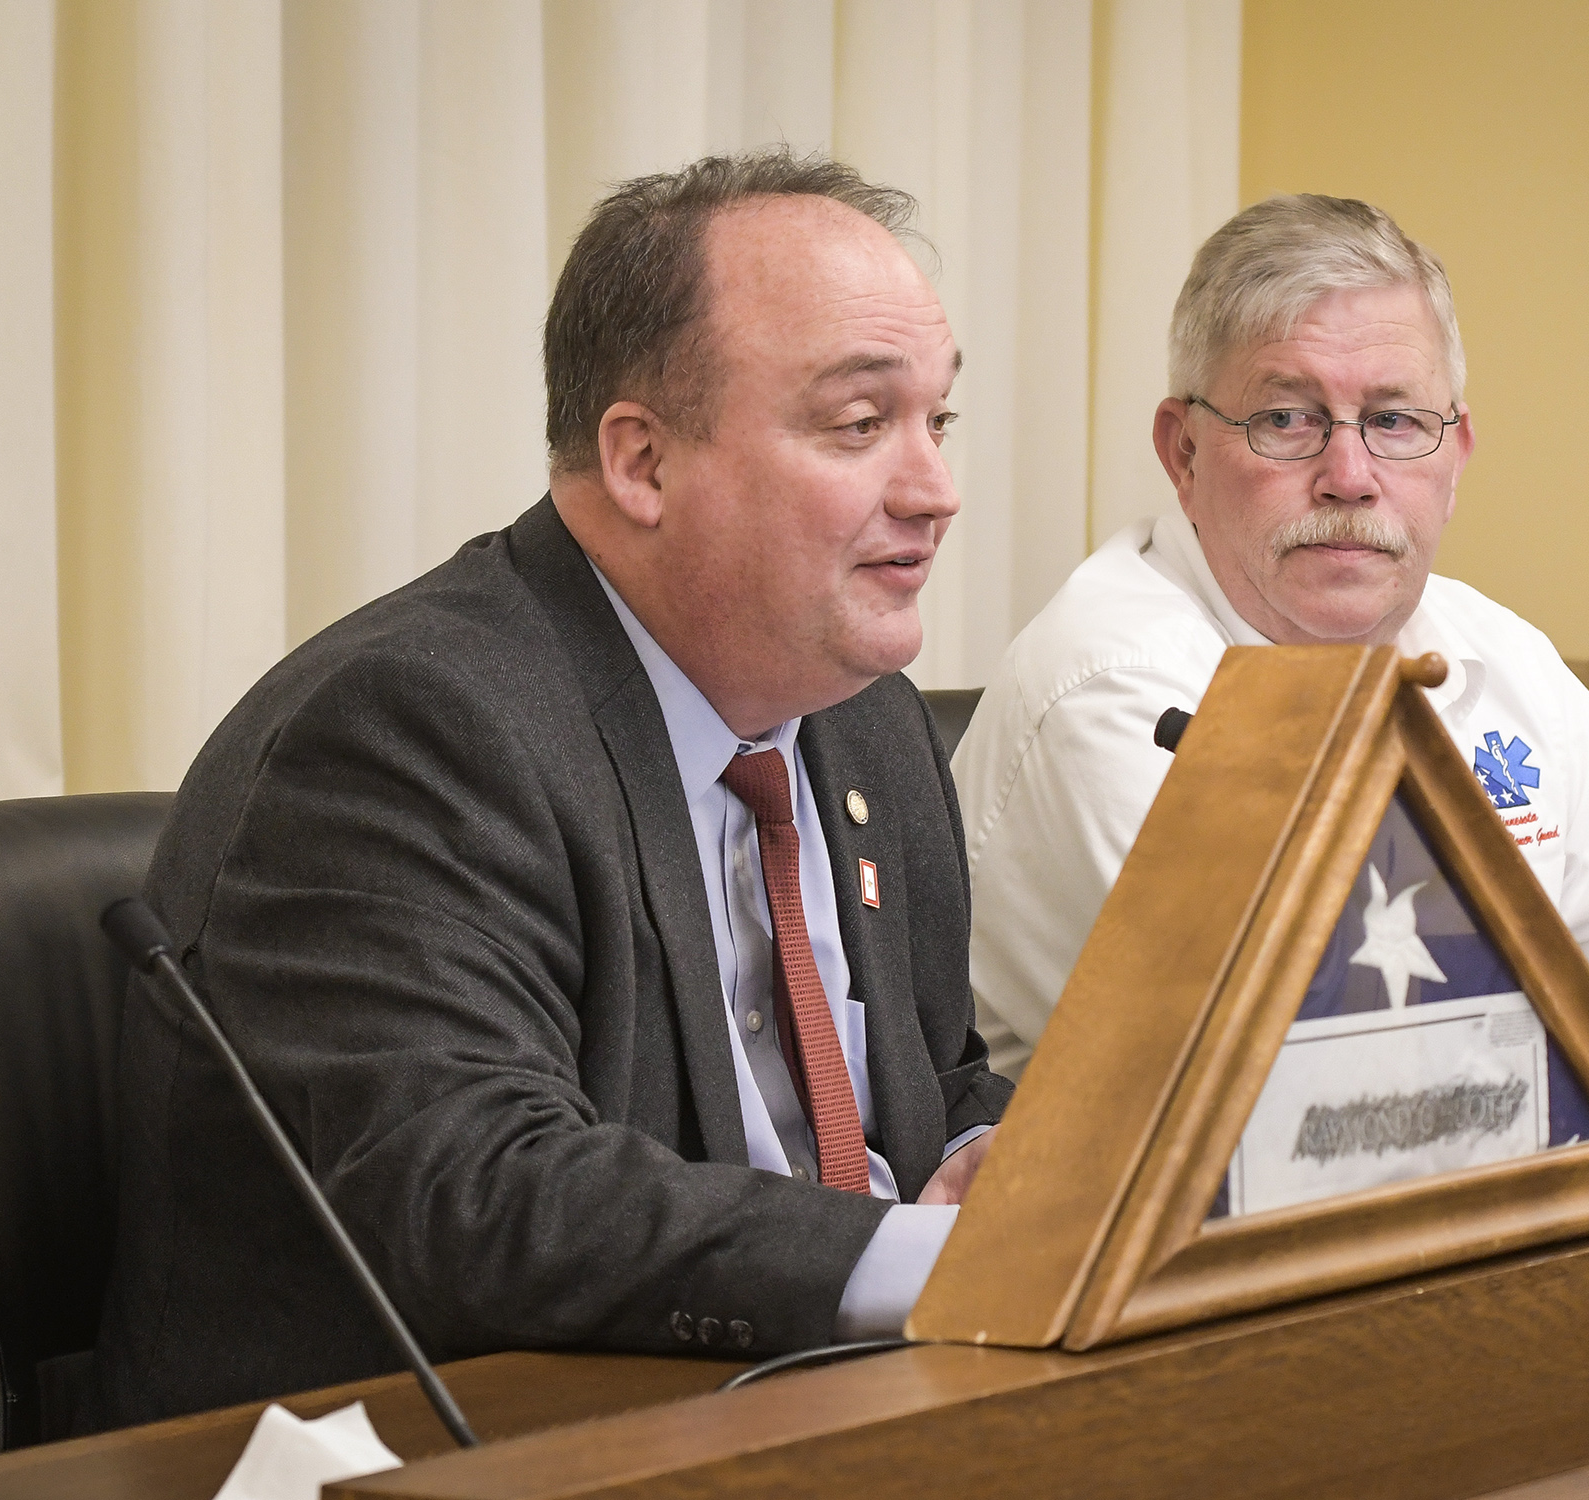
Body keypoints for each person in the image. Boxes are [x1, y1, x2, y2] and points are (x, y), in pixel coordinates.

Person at [91, 150, 1007, 1428]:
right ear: (641, 460)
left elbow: (933, 1072)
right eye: (860, 425)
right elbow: (488, 1197)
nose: (934, 490)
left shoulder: (859, 717)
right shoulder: (409, 732)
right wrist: (943, 1267)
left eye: (938, 421)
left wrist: (995, 1165)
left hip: (810, 1417)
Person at [953, 194, 1589, 1154]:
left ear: (1457, 453)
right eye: (1286, 419)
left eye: (1395, 421)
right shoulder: (1118, 689)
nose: (1350, 476)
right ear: (1182, 452)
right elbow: (1319, 1114)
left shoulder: (1490, 652)